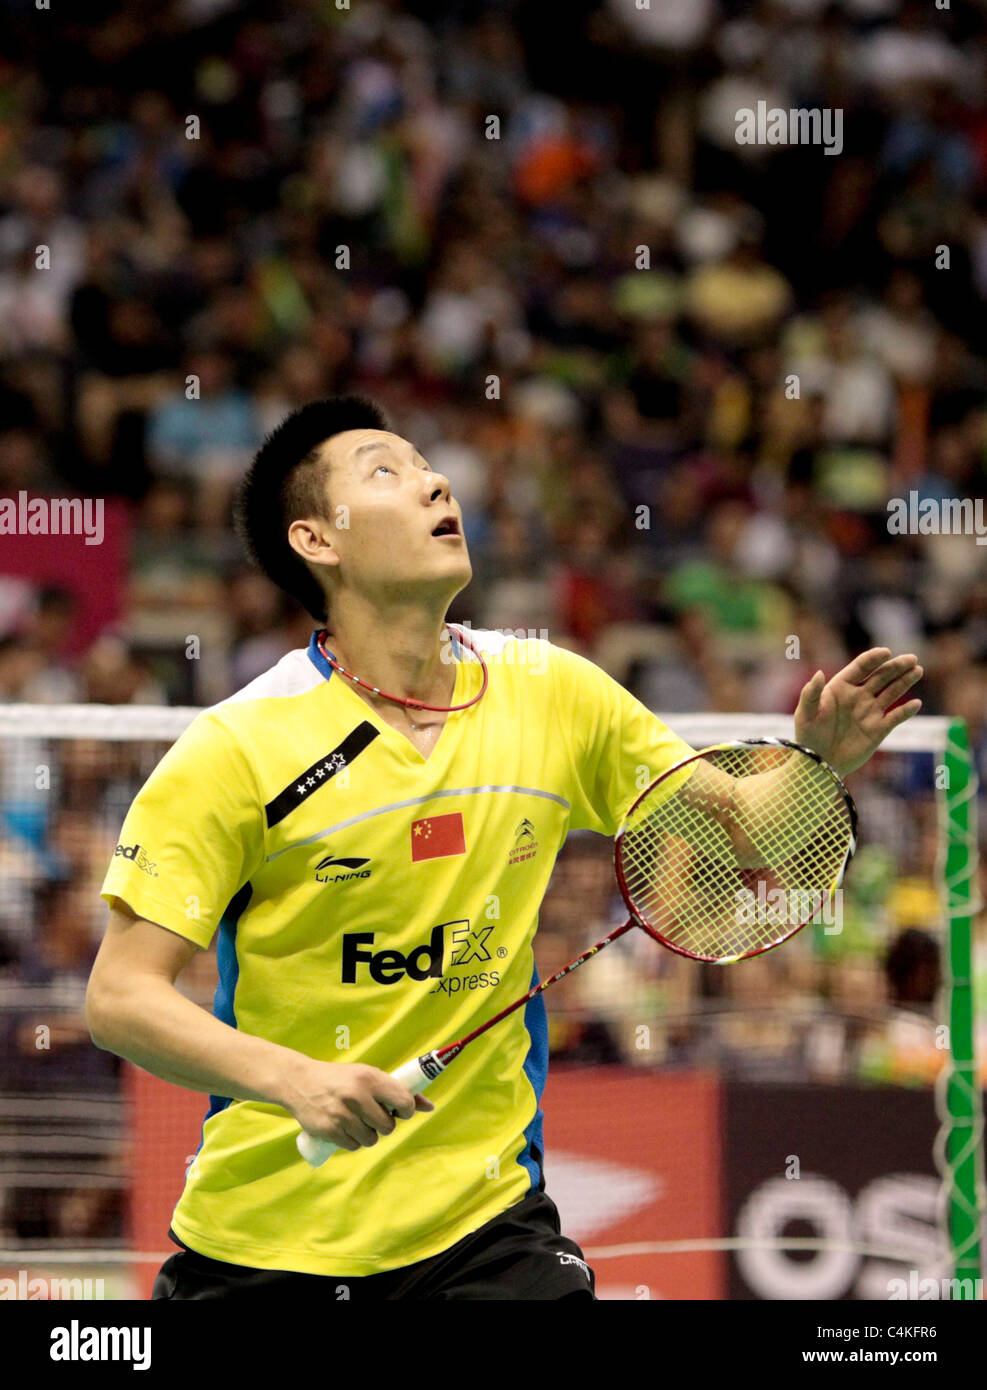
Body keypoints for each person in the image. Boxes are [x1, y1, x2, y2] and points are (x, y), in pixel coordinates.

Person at [86, 394, 923, 1300]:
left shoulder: (549, 691)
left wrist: (816, 764)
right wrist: (296, 1080)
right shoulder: (236, 747)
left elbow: (750, 827)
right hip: (271, 1239)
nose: (434, 481)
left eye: (425, 463)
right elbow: (120, 997)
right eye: (385, 472)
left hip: (487, 1227)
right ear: (316, 540)